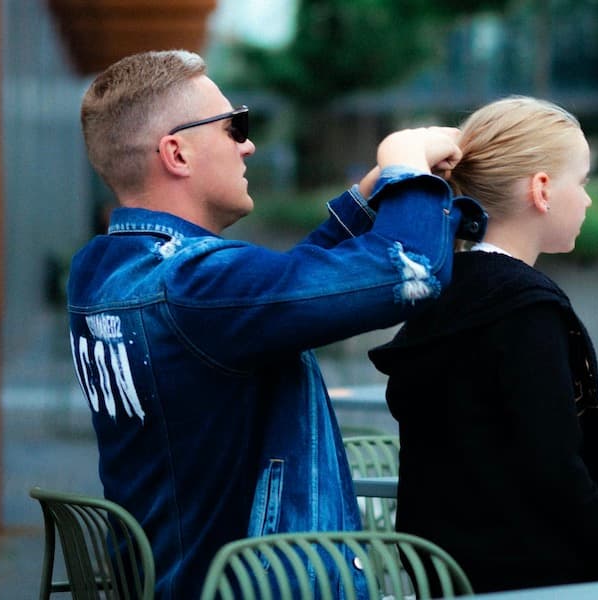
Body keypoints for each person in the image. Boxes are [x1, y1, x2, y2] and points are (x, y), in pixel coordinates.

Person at [66, 49, 484, 598]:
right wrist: (406, 164)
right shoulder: (194, 285)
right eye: (234, 125)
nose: (248, 143)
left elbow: (271, 294)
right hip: (249, 588)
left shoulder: (102, 269)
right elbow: (410, 271)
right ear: (177, 153)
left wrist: (364, 199)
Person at [368, 96, 598, 592]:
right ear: (543, 189)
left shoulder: (442, 295)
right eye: (584, 182)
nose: (589, 199)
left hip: (443, 572)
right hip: (534, 574)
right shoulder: (525, 308)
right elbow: (552, 458)